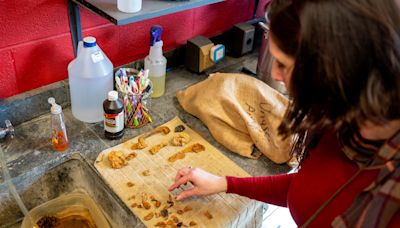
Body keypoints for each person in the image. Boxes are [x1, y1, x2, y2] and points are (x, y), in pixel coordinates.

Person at [169, 0, 400, 226]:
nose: (275, 74)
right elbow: (310, 189)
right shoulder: (340, 121)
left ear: (337, 70)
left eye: (284, 65)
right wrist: (224, 183)